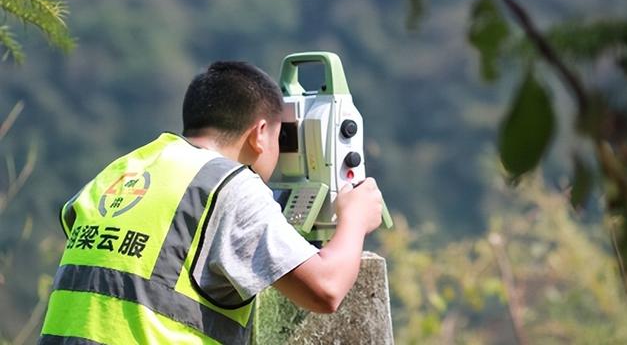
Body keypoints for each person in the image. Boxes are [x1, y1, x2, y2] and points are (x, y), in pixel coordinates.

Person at [39, 61, 383, 344]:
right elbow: (326, 289)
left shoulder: (122, 170)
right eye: (281, 138)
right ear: (260, 133)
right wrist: (354, 218)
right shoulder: (229, 186)